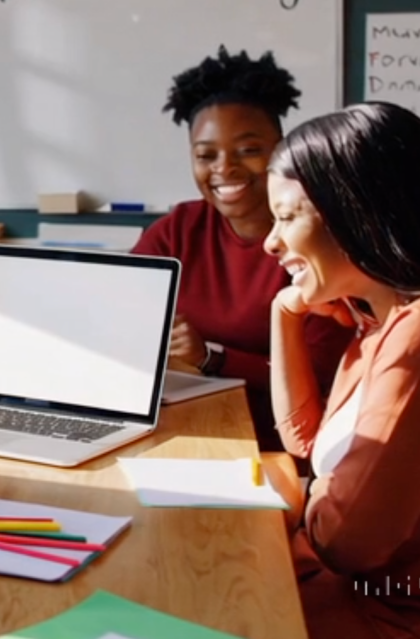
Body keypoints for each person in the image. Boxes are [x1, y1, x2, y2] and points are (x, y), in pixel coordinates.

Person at [133, 46, 352, 450]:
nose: (224, 168)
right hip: (186, 430)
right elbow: (118, 309)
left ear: (281, 150)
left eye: (249, 150)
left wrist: (212, 357)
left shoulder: (321, 237)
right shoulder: (178, 229)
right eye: (206, 155)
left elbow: (323, 372)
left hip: (282, 445)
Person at [264, 102, 420, 638]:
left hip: (380, 614)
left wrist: (299, 505)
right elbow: (306, 445)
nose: (270, 242)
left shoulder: (413, 338)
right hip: (345, 592)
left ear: (356, 211)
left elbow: (345, 542)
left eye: (287, 218)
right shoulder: (379, 323)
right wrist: (284, 314)